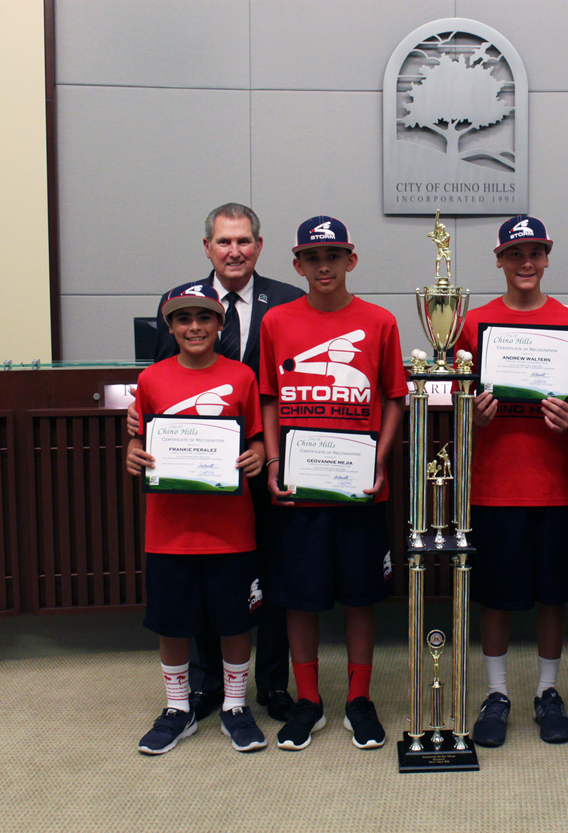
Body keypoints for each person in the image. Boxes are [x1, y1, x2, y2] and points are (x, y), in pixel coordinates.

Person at [137, 203, 303, 724]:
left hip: (265, 460)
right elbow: (163, 385)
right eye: (225, 242)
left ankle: (273, 684)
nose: (235, 251)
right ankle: (212, 685)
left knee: (271, 577)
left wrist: (270, 454)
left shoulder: (290, 302)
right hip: (199, 475)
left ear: (259, 245)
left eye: (245, 241)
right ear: (207, 247)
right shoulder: (182, 305)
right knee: (205, 575)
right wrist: (138, 426)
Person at [258, 215, 408, 752]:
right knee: (300, 597)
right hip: (299, 484)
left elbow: (395, 397)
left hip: (357, 485)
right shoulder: (276, 322)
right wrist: (274, 462)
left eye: (334, 256)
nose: (324, 266)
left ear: (352, 260)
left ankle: (358, 699)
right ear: (297, 264)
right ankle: (308, 700)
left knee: (360, 596)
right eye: (313, 258)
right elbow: (271, 399)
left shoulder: (380, 321)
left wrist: (381, 460)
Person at [453, 216, 568, 748]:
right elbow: (456, 402)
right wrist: (476, 417)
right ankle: (497, 693)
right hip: (493, 485)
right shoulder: (474, 323)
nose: (526, 263)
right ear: (500, 261)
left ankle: (547, 690)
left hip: (553, 484)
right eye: (516, 254)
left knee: (551, 595)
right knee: (495, 595)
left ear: (548, 257)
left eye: (535, 253)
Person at [126, 282, 268, 754]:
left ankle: (233, 705)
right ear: (169, 327)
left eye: (204, 318)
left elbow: (259, 440)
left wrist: (256, 456)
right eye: (183, 319)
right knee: (172, 622)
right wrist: (131, 452)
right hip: (168, 529)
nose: (194, 327)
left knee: (234, 622)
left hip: (229, 529)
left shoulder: (242, 376)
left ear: (219, 324)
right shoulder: (152, 379)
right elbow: (140, 438)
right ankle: (177, 708)